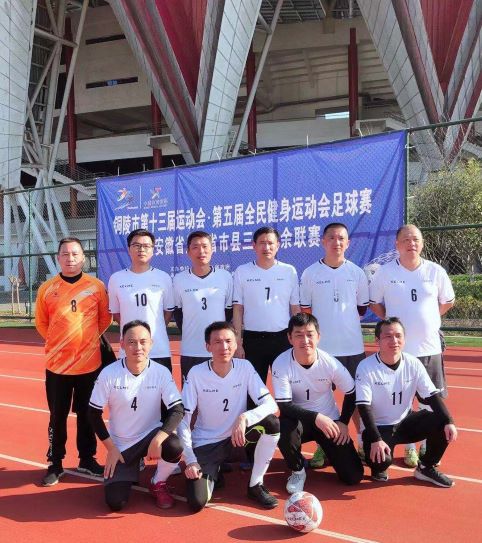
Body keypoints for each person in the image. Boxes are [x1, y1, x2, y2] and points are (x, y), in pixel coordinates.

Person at [369, 224, 455, 467]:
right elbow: (375, 304)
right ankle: (409, 448)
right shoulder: (385, 272)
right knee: (401, 402)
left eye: (416, 239)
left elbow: (447, 302)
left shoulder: (435, 271)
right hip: (399, 353)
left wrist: (428, 320)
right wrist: (393, 324)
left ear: (422, 243)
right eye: (406, 239)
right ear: (397, 244)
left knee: (430, 402)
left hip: (429, 349)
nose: (411, 243)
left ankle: (427, 444)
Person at [178, 321, 280, 512]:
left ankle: (255, 484)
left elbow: (271, 405)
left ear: (236, 344)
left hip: (237, 439)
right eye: (217, 342)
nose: (224, 347)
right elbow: (183, 419)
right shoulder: (196, 373)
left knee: (271, 424)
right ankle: (214, 470)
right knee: (197, 501)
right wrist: (190, 459)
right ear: (208, 346)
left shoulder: (245, 367)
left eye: (228, 341)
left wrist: (245, 417)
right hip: (206, 443)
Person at [35, 237, 112, 486]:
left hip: (89, 365)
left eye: (75, 254)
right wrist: (60, 343)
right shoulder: (47, 288)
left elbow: (104, 319)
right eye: (65, 254)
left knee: (87, 414)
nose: (70, 258)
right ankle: (55, 462)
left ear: (83, 258)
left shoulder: (96, 286)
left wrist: (85, 342)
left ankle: (87, 459)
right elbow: (41, 323)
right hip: (57, 366)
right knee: (57, 415)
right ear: (58, 258)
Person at [89, 320, 184, 510]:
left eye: (143, 341)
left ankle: (158, 482)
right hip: (122, 445)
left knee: (174, 445)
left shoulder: (161, 372)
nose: (138, 347)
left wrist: (158, 439)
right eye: (131, 342)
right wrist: (111, 449)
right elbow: (93, 413)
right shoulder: (109, 373)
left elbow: (177, 409)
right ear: (122, 344)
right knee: (115, 503)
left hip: (150, 436)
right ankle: (130, 468)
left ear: (151, 344)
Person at [355, 317, 457, 487]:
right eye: (388, 336)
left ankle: (426, 467)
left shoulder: (413, 363)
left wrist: (449, 421)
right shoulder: (366, 367)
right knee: (381, 462)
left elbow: (432, 396)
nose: (394, 341)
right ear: (377, 340)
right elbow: (364, 407)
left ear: (404, 338)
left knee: (442, 421)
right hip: (379, 427)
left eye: (398, 336)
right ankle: (378, 465)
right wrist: (376, 439)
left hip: (405, 422)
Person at [300, 222, 369, 467]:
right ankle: (324, 445)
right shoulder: (310, 273)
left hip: (352, 347)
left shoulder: (357, 273)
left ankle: (363, 442)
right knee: (323, 400)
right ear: (323, 241)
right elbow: (306, 311)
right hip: (322, 350)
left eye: (341, 238)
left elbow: (361, 308)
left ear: (348, 243)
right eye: (331, 238)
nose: (336, 242)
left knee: (358, 398)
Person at [272, 313, 364, 494]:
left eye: (310, 334)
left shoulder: (330, 363)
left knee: (353, 476)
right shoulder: (281, 363)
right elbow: (284, 405)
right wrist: (316, 418)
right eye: (298, 335)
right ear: (290, 338)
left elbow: (352, 392)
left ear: (318, 337)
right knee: (283, 427)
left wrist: (343, 422)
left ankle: (326, 448)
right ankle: (298, 470)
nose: (305, 340)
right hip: (299, 423)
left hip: (329, 423)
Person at [233, 226, 300, 384]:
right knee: (253, 388)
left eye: (270, 243)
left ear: (278, 245)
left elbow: (295, 308)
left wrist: (297, 338)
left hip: (282, 339)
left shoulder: (289, 271)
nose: (266, 247)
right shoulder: (242, 271)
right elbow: (238, 309)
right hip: (252, 340)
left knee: (287, 387)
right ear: (254, 246)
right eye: (262, 243)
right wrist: (238, 342)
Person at [108, 228, 175, 371]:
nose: (141, 249)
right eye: (136, 245)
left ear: (153, 250)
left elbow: (168, 312)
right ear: (129, 249)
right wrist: (132, 332)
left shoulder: (164, 278)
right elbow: (116, 314)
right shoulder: (116, 279)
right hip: (129, 351)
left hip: (158, 350)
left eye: (146, 246)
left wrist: (153, 331)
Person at [173, 231, 233, 381]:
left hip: (218, 350)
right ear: (188, 252)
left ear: (212, 249)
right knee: (190, 393)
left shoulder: (225, 277)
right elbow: (178, 314)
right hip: (190, 350)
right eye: (195, 247)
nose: (201, 251)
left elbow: (229, 312)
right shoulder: (179, 280)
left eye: (205, 246)